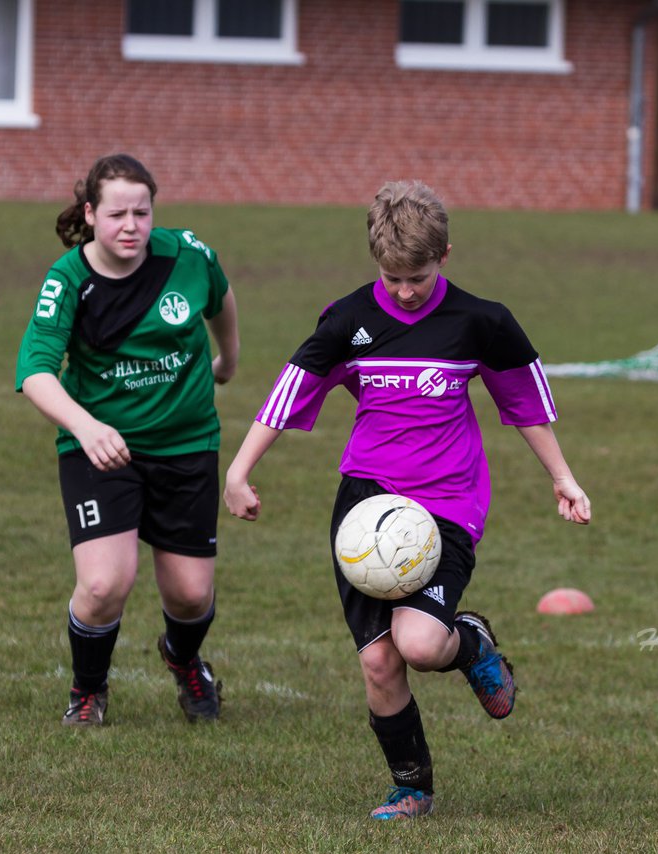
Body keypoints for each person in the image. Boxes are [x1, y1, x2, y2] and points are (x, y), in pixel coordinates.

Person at [222, 180, 591, 820]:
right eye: (391, 277)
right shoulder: (347, 320)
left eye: (416, 276)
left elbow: (524, 405)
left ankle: (469, 643)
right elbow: (291, 390)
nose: (404, 290)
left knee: (420, 646)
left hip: (448, 504)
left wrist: (562, 476)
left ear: (444, 254)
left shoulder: (481, 322)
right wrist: (240, 470)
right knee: (379, 662)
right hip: (366, 507)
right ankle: (411, 786)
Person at [15, 153, 240, 726]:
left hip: (187, 443)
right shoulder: (67, 280)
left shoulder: (186, 254)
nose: (131, 225)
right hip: (101, 448)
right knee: (103, 582)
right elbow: (35, 372)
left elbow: (221, 297)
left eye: (142, 212)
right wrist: (85, 427)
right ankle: (88, 690)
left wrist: (228, 358)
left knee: (190, 595)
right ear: (90, 214)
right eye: (117, 214)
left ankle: (184, 660)